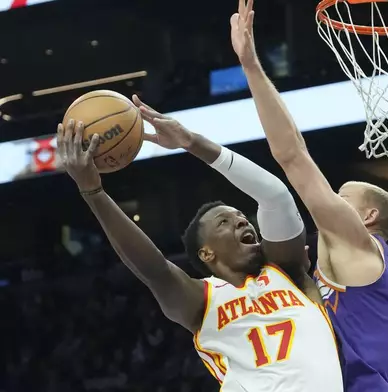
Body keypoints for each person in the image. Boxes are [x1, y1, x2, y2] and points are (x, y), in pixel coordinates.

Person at [56, 106, 343, 391]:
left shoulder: (286, 272)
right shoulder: (203, 300)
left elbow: (276, 197)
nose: (241, 220)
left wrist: (192, 143)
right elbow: (154, 269)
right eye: (224, 222)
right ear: (207, 253)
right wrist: (93, 191)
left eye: (241, 216)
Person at [230, 1, 388, 391]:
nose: (331, 197)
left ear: (367, 218)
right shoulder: (351, 264)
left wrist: (250, 65)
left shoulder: (359, 243)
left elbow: (292, 155)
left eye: (343, 196)